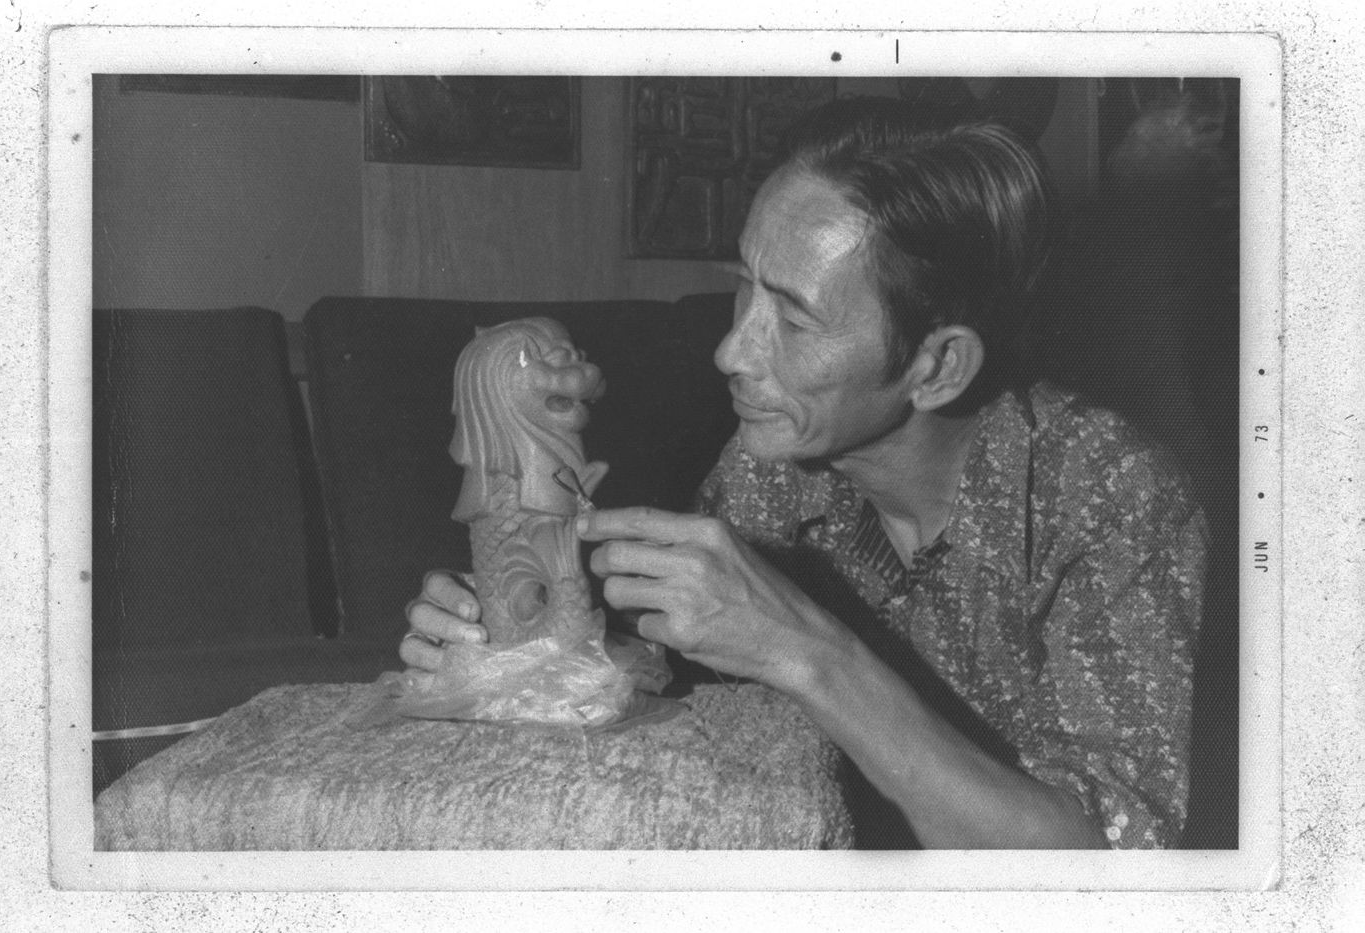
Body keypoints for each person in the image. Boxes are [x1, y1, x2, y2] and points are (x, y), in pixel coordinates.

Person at [401, 97, 1207, 850]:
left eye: (791, 317)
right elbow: (686, 682)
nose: (731, 352)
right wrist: (526, 647)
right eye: (744, 286)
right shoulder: (772, 465)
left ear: (938, 366)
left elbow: (1099, 872)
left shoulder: (1113, 498)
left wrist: (809, 652)